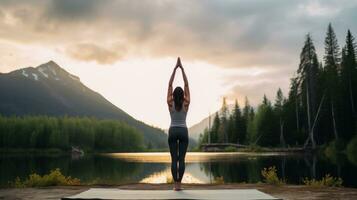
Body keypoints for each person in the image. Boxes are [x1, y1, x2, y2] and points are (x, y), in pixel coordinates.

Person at [167, 57, 190, 191]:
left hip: (172, 131)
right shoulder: (186, 103)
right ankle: (179, 186)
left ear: (173, 95)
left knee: (173, 160)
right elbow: (186, 85)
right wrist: (182, 69)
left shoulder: (170, 102)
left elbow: (169, 85)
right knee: (181, 159)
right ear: (182, 96)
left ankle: (174, 186)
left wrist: (175, 69)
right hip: (183, 131)